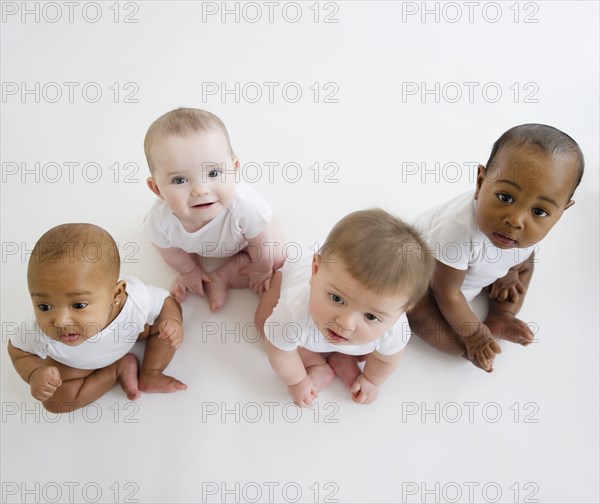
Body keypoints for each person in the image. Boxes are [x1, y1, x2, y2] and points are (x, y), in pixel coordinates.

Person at [407, 123, 584, 372]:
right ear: (480, 183)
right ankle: (469, 346)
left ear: (561, 212)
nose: (516, 220)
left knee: (526, 266)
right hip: (432, 281)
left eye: (539, 211)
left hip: (472, 270)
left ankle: (501, 316)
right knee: (420, 312)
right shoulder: (456, 230)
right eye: (506, 198)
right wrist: (474, 334)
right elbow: (447, 293)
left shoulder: (521, 233)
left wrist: (511, 272)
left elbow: (524, 253)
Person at [254, 209, 434, 407]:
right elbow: (280, 353)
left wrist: (372, 381)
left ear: (403, 311)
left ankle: (341, 357)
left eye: (370, 316)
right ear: (316, 270)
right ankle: (316, 363)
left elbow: (386, 360)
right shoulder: (293, 310)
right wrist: (297, 381)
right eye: (336, 298)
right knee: (265, 324)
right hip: (292, 273)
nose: (345, 323)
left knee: (368, 353)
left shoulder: (393, 329)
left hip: (336, 335)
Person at [7, 223, 186, 413]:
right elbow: (18, 350)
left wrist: (172, 321)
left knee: (163, 327)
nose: (60, 322)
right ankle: (116, 370)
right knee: (56, 402)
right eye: (44, 307)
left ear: (116, 295)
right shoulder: (37, 332)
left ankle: (152, 372)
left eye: (78, 305)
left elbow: (166, 301)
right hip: (78, 364)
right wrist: (34, 373)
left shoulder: (134, 301)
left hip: (127, 335)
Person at [143, 108, 285, 312]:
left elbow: (260, 243)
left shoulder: (246, 207)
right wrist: (189, 270)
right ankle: (208, 276)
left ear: (234, 169)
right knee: (176, 253)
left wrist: (261, 270)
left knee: (276, 257)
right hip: (204, 248)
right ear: (157, 188)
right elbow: (168, 250)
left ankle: (222, 277)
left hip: (250, 239)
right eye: (180, 180)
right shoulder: (160, 221)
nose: (201, 190)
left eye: (214, 172)